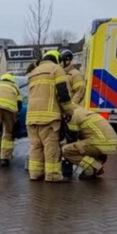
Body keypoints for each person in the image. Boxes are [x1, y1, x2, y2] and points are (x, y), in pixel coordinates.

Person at [26, 50, 70, 182]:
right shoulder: (56, 69)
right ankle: (52, 175)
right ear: (57, 59)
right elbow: (63, 93)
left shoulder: (34, 72)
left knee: (36, 146)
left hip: (31, 117)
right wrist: (69, 111)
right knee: (51, 147)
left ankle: (35, 173)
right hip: (49, 116)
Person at [61, 103, 117, 180]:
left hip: (99, 143)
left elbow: (71, 139)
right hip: (108, 142)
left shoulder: (72, 116)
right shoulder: (81, 111)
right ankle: (97, 161)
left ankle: (94, 167)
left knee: (66, 150)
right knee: (79, 147)